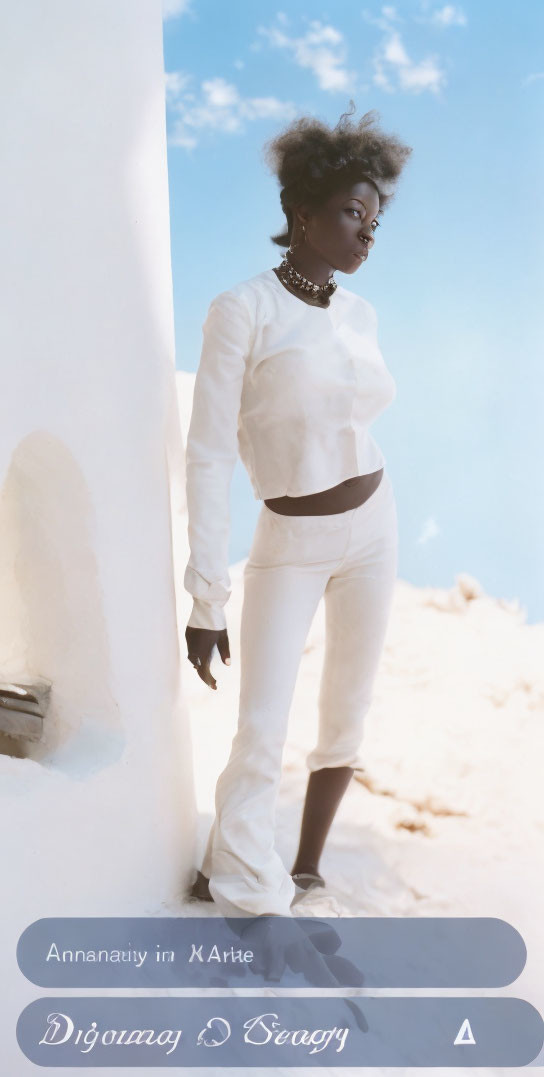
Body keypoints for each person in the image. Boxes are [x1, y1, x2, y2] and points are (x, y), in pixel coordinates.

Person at [184, 102, 412, 917]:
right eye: (354, 212)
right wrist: (206, 595)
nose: (367, 232)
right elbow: (208, 452)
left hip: (374, 526)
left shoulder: (361, 314)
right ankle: (243, 881)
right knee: (261, 722)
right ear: (301, 212)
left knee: (346, 706)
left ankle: (307, 868)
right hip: (292, 535)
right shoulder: (240, 310)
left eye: (376, 218)